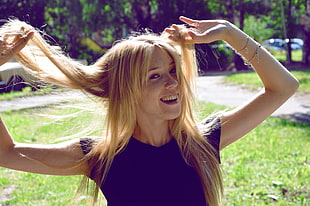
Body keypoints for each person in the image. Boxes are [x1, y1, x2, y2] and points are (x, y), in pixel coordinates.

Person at [0, 16, 299, 206]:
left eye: (173, 71)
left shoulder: (202, 141)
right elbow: (7, 153)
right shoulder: (101, 157)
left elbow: (283, 87)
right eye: (154, 76)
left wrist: (231, 34)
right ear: (126, 91)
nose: (172, 83)